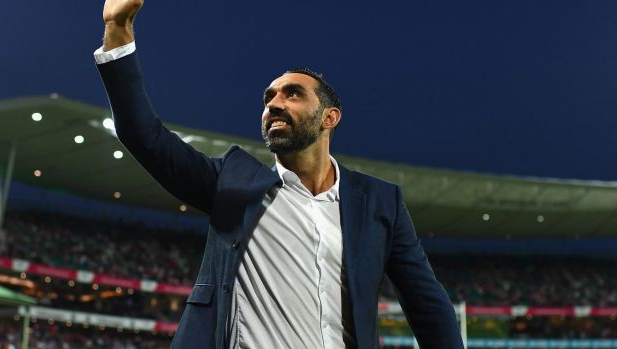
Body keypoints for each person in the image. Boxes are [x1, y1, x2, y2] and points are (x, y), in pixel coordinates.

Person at [96, 1, 464, 348]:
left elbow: (429, 307)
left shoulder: (380, 203)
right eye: (269, 97)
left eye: (292, 94)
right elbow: (145, 137)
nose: (273, 104)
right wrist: (118, 28)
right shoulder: (233, 184)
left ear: (329, 118)